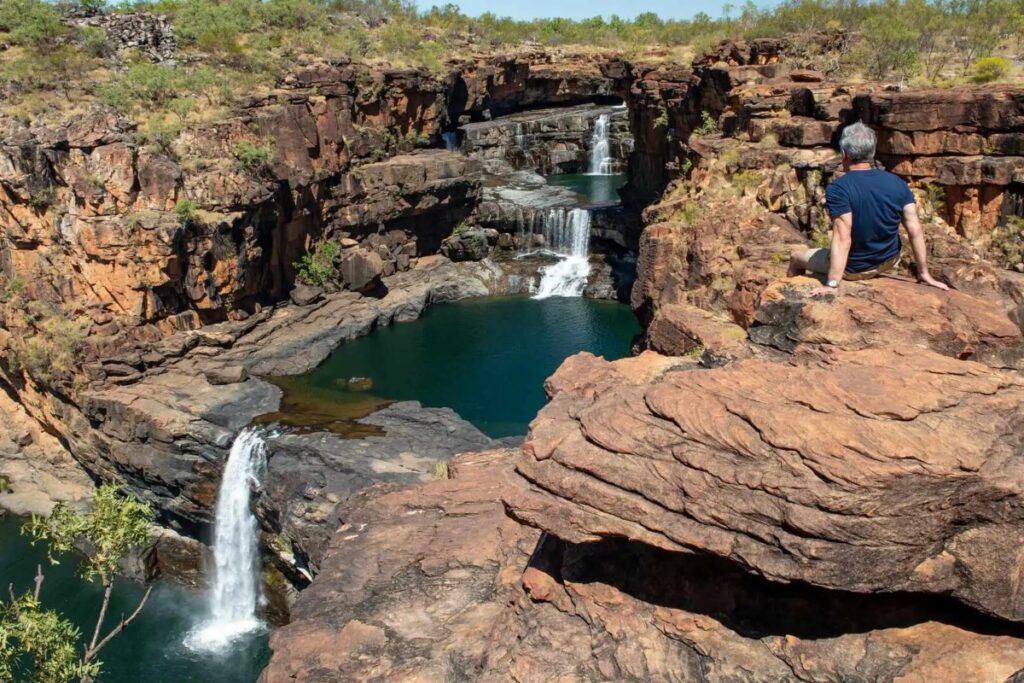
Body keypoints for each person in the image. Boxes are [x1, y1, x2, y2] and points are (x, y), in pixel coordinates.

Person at [788, 122, 949, 296]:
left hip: (854, 269)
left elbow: (843, 238)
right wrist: (924, 273)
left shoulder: (839, 188)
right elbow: (915, 229)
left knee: (796, 257)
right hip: (890, 259)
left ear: (844, 154)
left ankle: (788, 295)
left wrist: (832, 284)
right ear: (871, 153)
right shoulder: (897, 183)